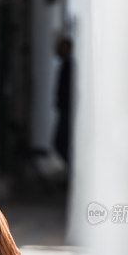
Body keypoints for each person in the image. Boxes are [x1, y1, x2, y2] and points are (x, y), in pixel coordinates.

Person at [53, 37, 75, 170]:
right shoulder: (67, 65)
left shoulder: (69, 65)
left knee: (61, 143)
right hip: (65, 109)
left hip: (67, 110)